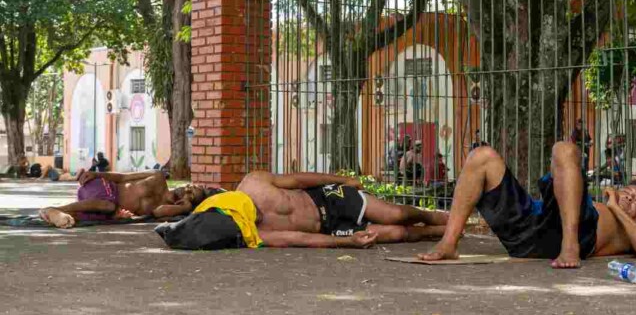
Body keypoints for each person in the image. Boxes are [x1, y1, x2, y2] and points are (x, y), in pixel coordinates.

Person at [418, 142, 636, 268]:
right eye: (627, 192)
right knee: (481, 155)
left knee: (564, 148)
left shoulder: (630, 229)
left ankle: (569, 244)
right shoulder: (589, 203)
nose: (630, 197)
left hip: (575, 236)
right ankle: (449, 242)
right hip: (528, 229)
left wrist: (616, 207)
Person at [234, 171, 448, 248]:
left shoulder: (254, 182)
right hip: (329, 228)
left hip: (328, 198)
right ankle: (441, 232)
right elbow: (300, 238)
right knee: (397, 233)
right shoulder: (253, 232)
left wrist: (344, 180)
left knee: (397, 215)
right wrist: (347, 242)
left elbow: (300, 179)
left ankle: (435, 217)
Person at [39, 170, 206, 228]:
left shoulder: (167, 208)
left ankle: (53, 214)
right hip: (105, 187)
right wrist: (98, 174)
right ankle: (56, 209)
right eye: (191, 186)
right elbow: (122, 177)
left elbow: (157, 213)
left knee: (94, 214)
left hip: (105, 207)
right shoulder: (158, 177)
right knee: (108, 206)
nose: (187, 188)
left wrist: (183, 208)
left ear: (187, 201)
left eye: (191, 193)